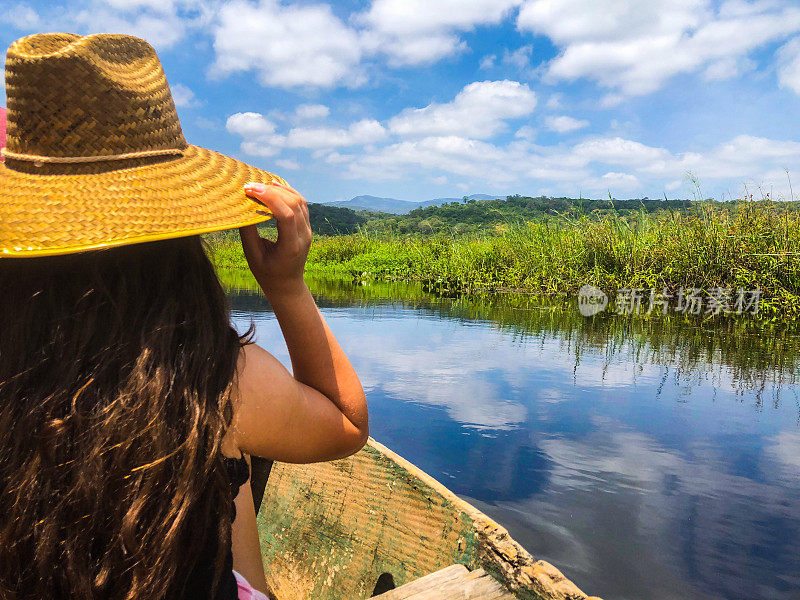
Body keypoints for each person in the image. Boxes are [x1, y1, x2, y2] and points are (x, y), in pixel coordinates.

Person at [0, 33, 368, 600]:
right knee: (222, 451)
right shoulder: (219, 379)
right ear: (178, 241)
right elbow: (346, 425)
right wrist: (287, 287)